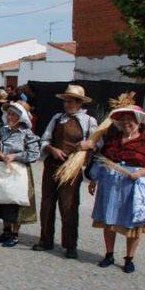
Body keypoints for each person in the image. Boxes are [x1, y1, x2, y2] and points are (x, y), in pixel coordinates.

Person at [85, 102, 145, 273]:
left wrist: (140, 173)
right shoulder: (114, 140)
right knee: (109, 220)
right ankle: (109, 254)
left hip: (134, 185)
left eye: (130, 120)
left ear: (139, 122)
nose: (126, 123)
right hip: (110, 184)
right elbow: (102, 160)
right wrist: (94, 180)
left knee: (133, 223)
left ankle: (129, 258)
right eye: (123, 120)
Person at [36, 84, 97, 258]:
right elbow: (44, 139)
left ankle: (70, 245)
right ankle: (45, 240)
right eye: (65, 101)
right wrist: (52, 149)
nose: (67, 104)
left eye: (71, 102)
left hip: (72, 168)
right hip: (52, 166)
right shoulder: (57, 118)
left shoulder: (88, 121)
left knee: (69, 205)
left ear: (79, 103)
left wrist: (89, 144)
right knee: (47, 204)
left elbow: (98, 143)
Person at [0, 101, 41, 247]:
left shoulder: (26, 133)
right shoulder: (3, 130)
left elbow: (34, 154)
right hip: (2, 169)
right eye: (9, 114)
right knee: (3, 199)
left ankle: (15, 234)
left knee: (15, 201)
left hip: (19, 171)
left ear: (21, 117)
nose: (10, 117)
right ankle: (6, 231)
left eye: (13, 115)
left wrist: (15, 156)